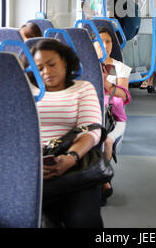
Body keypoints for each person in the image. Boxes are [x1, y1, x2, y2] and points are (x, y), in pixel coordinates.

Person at [23, 38, 104, 228]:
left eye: (52, 65)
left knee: (83, 221)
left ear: (65, 63)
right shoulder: (25, 90)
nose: (46, 72)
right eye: (39, 68)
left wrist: (71, 157)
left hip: (75, 164)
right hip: (32, 167)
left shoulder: (82, 88)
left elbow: (91, 130)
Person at [93, 27, 131, 204]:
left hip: (114, 119)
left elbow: (124, 96)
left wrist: (107, 84)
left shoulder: (120, 68)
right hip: (93, 115)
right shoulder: (86, 67)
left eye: (108, 41)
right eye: (100, 41)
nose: (104, 45)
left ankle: (104, 180)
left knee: (106, 141)